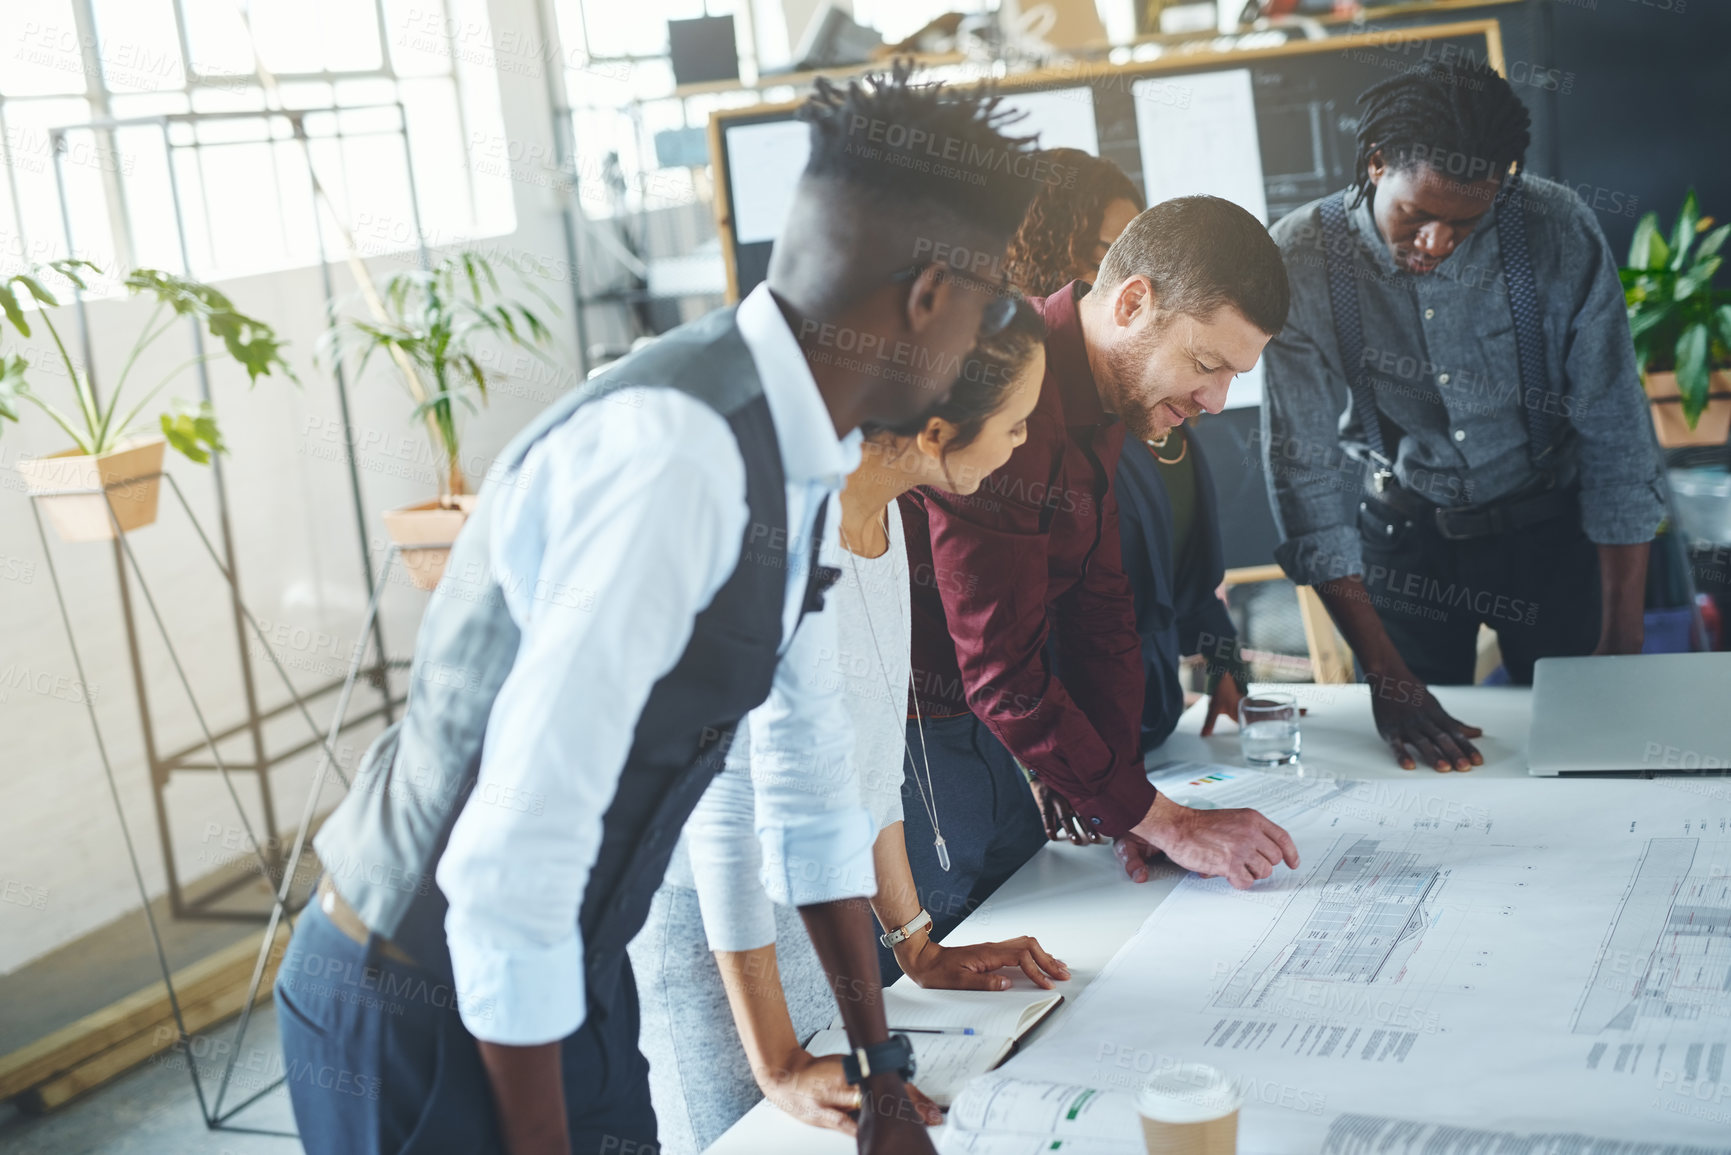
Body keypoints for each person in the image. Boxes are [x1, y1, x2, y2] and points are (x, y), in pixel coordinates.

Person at [274, 65, 1040, 1155]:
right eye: (989, 305)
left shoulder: (804, 449)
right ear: (927, 298)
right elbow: (506, 867)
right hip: (424, 996)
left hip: (565, 976)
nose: (982, 343)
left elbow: (811, 776)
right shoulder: (677, 457)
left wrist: (880, 1076)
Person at [632, 304, 1067, 1153]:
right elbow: (728, 809)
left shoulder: (890, 518)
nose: (1023, 442)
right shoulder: (782, 529)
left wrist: (918, 947)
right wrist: (777, 1061)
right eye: (1014, 423)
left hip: (817, 911)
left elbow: (867, 766)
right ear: (936, 430)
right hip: (722, 932)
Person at [899, 194, 1301, 963]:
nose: (1214, 401)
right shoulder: (1001, 386)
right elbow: (1002, 673)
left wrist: (1127, 801)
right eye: (1207, 364)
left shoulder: (1105, 396)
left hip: (985, 717)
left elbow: (1098, 604)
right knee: (976, 951)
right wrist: (1163, 820)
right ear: (1132, 302)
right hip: (919, 729)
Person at [1260, 59, 1664, 772]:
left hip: (1549, 535)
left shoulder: (1554, 227)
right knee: (1415, 777)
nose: (1435, 243)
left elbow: (1615, 429)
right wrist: (1383, 673)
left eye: (1465, 222)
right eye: (1414, 215)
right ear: (1375, 163)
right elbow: (1304, 475)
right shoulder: (1299, 258)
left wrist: (1621, 642)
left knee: (1592, 765)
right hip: (1404, 541)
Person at [1003, 153, 1250, 849]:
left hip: (1145, 736)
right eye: (1104, 249)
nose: (1211, 399)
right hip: (1061, 758)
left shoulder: (1153, 411)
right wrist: (1083, 779)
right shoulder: (1013, 412)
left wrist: (1222, 659)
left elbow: (1183, 572)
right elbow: (1013, 643)